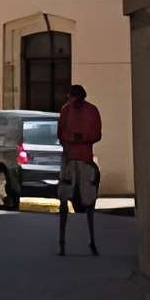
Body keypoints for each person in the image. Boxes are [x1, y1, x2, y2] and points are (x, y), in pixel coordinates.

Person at [56, 83, 103, 255]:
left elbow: (97, 134)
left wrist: (81, 138)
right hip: (69, 159)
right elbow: (60, 133)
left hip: (84, 159)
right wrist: (70, 139)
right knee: (63, 198)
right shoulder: (66, 110)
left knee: (89, 200)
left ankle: (91, 240)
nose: (72, 102)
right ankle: (62, 241)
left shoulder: (92, 110)